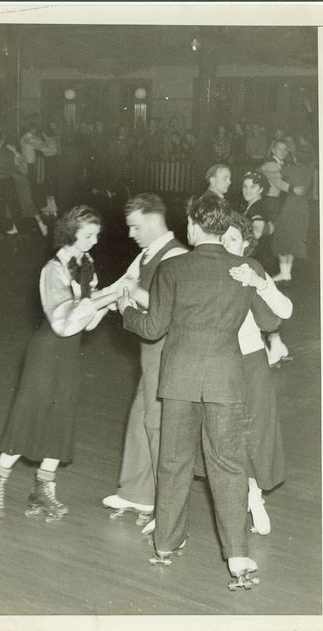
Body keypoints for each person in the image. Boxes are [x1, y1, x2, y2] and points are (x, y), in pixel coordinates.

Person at [117, 195, 281, 588]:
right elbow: (271, 317)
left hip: (179, 380)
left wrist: (126, 310)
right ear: (224, 227)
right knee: (229, 466)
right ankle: (239, 556)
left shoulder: (173, 268)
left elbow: (153, 327)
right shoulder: (245, 268)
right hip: (226, 379)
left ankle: (166, 546)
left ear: (192, 225)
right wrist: (258, 281)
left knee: (174, 461)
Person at [0, 207, 116, 521]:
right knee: (31, 419)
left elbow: (86, 325)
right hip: (47, 353)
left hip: (69, 355)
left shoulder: (86, 264)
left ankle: (42, 490)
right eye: (88, 234)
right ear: (70, 232)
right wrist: (104, 298)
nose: (95, 240)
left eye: (96, 234)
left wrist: (109, 302)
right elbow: (62, 322)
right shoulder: (53, 270)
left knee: (60, 418)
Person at [101, 194, 188, 530]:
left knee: (157, 424)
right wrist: (89, 303)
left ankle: (165, 507)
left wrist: (132, 295)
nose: (131, 233)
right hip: (149, 349)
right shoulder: (145, 255)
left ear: (154, 220)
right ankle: (138, 492)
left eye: (136, 226)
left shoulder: (177, 256)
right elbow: (121, 286)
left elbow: (170, 307)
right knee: (141, 416)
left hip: (168, 349)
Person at [221, 212, 292, 535]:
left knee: (256, 432)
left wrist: (259, 283)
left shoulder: (252, 270)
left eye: (232, 239)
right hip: (216, 362)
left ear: (246, 244)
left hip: (250, 360)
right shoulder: (209, 268)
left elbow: (283, 312)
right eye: (221, 238)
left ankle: (255, 496)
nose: (225, 243)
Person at [241, 170, 291, 367]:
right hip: (259, 259)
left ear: (261, 188)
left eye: (252, 187)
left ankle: (273, 348)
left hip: (259, 260)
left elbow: (257, 233)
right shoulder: (252, 206)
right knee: (261, 305)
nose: (247, 190)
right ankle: (277, 345)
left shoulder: (258, 207)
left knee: (260, 305)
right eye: (245, 186)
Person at [271, 151, 312, 285]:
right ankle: (286, 275)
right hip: (303, 208)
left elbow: (271, 174)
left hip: (290, 207)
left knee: (282, 237)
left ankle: (285, 274)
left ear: (295, 157)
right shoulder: (308, 171)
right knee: (293, 240)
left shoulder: (291, 169)